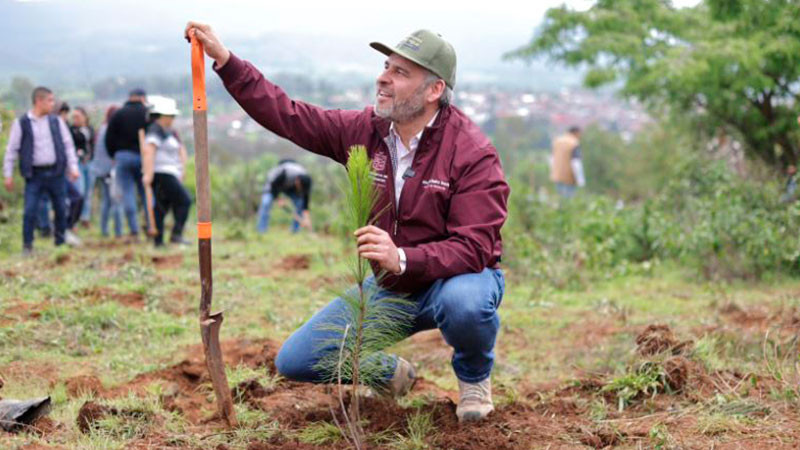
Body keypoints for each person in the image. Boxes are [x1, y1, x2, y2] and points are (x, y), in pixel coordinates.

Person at [186, 23, 509, 422]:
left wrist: (404, 257)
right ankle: (390, 374)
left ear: (434, 90)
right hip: (394, 287)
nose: (383, 78)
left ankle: (474, 381)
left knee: (466, 304)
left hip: (459, 278)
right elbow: (289, 115)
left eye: (400, 72)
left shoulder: (472, 151)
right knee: (296, 360)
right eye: (386, 66)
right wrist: (227, 62)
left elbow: (475, 247)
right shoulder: (365, 132)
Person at [3, 86, 80, 254]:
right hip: (34, 174)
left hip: (56, 172)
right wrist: (7, 174)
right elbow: (12, 149)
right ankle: (27, 245)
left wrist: (73, 167)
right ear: (39, 101)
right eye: (50, 100)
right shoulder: (22, 123)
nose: (52, 104)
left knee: (60, 207)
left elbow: (68, 145)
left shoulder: (56, 122)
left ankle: (60, 242)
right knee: (30, 209)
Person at [141, 96, 192, 247]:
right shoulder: (155, 130)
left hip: (170, 173)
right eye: (170, 116)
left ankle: (159, 241)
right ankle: (176, 234)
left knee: (162, 207)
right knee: (184, 200)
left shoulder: (168, 131)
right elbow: (149, 151)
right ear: (161, 115)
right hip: (162, 173)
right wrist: (148, 174)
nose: (172, 119)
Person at [105, 88, 149, 239]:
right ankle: (151, 225)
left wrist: (114, 154)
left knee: (128, 193)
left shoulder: (118, 113)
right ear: (142, 98)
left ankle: (134, 230)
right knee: (146, 193)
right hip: (143, 157)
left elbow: (109, 138)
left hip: (122, 157)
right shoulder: (147, 113)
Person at [90, 105, 123, 238]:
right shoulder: (113, 130)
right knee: (117, 201)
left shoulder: (101, 129)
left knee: (106, 201)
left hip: (101, 170)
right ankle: (118, 232)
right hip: (112, 170)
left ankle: (104, 230)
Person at [256, 159, 313, 233]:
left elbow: (305, 198)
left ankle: (295, 231)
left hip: (289, 188)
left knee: (300, 203)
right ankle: (261, 230)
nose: (301, 189)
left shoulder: (306, 180)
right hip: (273, 184)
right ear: (297, 181)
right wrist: (278, 199)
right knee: (266, 203)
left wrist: (306, 217)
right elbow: (273, 185)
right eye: (300, 187)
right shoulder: (285, 173)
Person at [70, 107, 95, 227]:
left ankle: (85, 217)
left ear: (85, 117)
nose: (75, 119)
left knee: (88, 192)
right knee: (79, 190)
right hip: (77, 163)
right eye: (74, 117)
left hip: (89, 163)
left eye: (78, 116)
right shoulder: (71, 130)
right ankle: (74, 220)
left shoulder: (90, 129)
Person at [550, 126, 585, 199]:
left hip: (557, 176)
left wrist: (553, 172)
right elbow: (576, 162)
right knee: (568, 200)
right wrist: (580, 180)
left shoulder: (557, 141)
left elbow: (552, 158)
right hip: (569, 177)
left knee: (560, 199)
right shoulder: (574, 143)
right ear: (576, 133)